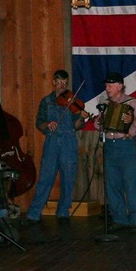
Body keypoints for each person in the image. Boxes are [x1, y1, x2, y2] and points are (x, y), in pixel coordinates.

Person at [23, 70, 89, 226]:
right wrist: (47, 124)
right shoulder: (46, 101)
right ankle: (34, 214)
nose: (62, 86)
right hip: (52, 142)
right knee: (45, 178)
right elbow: (39, 122)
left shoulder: (72, 101)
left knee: (68, 178)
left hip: (68, 141)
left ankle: (63, 212)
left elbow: (76, 125)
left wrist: (81, 117)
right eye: (59, 83)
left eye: (65, 83)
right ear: (54, 82)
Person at [100, 71, 136, 233]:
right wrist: (99, 121)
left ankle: (135, 221)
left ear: (120, 86)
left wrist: (132, 120)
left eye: (110, 85)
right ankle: (119, 219)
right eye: (106, 86)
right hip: (110, 146)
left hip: (126, 145)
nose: (107, 88)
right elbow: (97, 126)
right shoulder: (105, 103)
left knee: (130, 184)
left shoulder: (132, 102)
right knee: (113, 185)